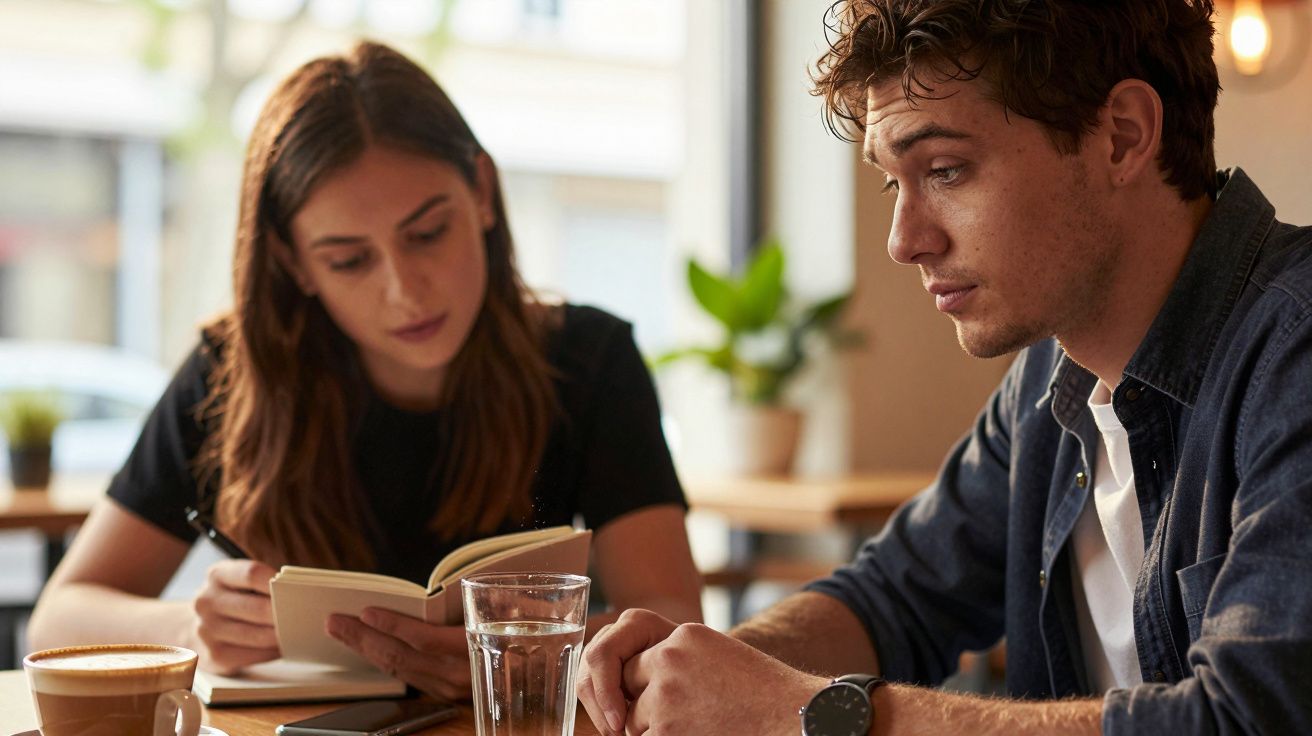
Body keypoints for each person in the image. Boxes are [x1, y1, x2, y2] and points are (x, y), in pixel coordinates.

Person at [576, 1, 1312, 734]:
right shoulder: (1048, 381)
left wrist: (798, 711)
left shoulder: (1295, 348)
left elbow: (1248, 720)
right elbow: (893, 598)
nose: (904, 241)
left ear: (1121, 136)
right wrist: (705, 674)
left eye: (946, 170)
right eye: (894, 183)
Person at [28, 41, 703, 702]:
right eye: (349, 261)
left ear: (482, 192)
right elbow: (59, 616)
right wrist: (192, 629)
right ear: (294, 263)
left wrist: (524, 652)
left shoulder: (589, 360)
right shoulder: (234, 374)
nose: (405, 292)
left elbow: (674, 619)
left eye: (428, 233)